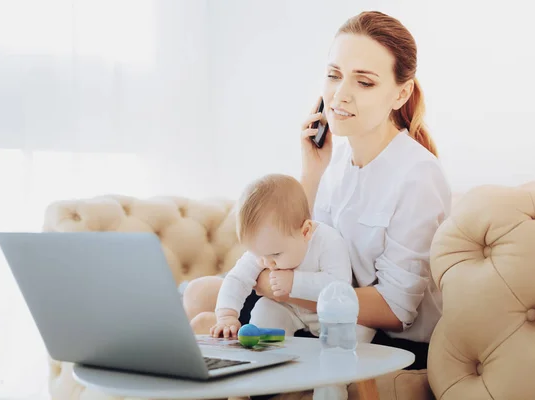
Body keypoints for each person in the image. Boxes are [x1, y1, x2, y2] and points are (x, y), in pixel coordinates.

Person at [184, 10, 451, 372]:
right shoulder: (336, 160)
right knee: (199, 293)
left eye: (364, 82)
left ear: (401, 93)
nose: (340, 95)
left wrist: (277, 286)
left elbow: (396, 309)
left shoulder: (417, 176)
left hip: (382, 336)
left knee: (204, 321)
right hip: (319, 311)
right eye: (333, 75)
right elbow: (299, 243)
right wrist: (312, 170)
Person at [210, 173, 357, 342]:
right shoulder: (265, 249)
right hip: (288, 309)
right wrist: (226, 315)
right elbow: (237, 278)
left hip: (327, 315)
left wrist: (294, 282)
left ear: (305, 231)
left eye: (275, 255)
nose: (267, 263)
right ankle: (267, 356)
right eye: (258, 255)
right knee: (264, 309)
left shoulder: (329, 241)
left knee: (357, 330)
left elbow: (339, 284)